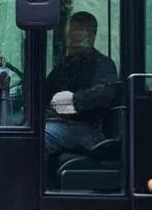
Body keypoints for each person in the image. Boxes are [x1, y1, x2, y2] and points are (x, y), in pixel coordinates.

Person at [44, 11, 119, 157]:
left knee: (38, 139)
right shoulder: (65, 64)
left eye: (79, 31)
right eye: (71, 31)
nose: (72, 37)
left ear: (92, 36)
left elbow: (104, 94)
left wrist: (72, 102)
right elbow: (46, 90)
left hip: (86, 129)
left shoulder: (103, 65)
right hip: (58, 123)